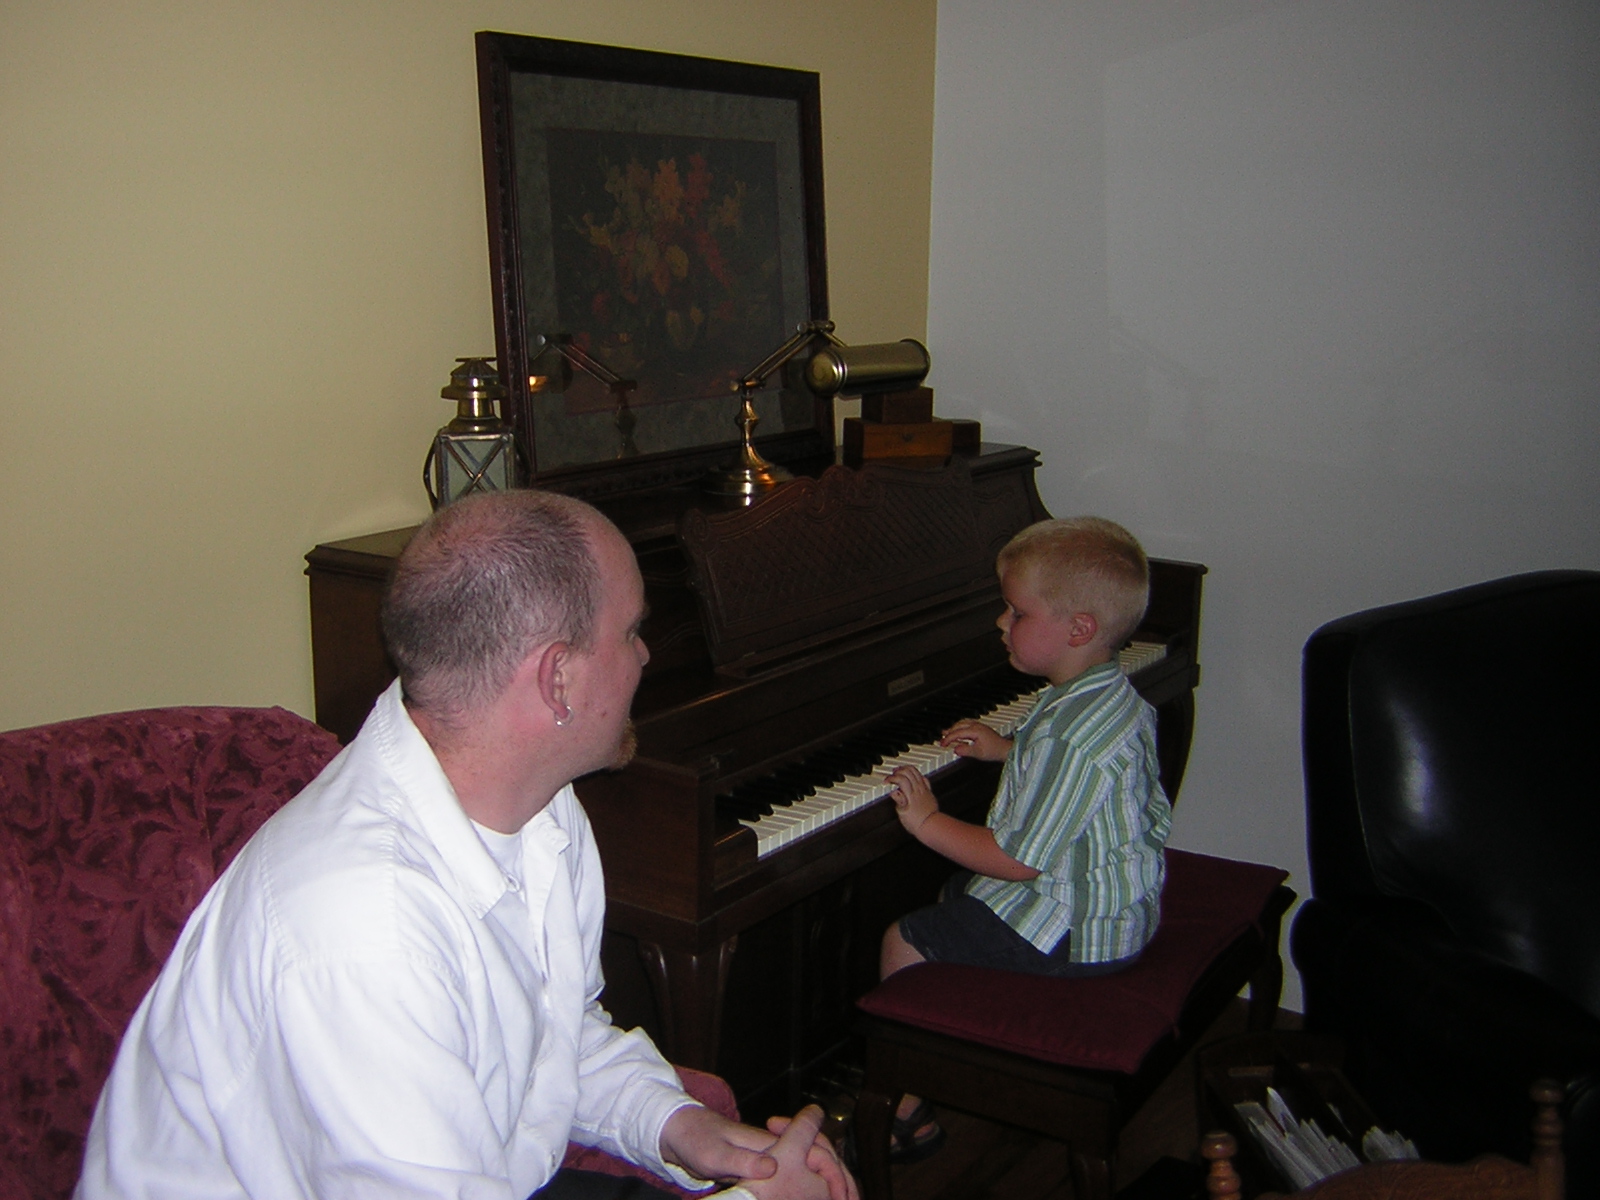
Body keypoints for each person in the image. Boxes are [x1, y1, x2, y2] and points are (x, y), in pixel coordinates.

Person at [76, 490, 854, 1200]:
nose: (647, 655)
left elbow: (555, 1035)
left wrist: (681, 1126)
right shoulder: (363, 929)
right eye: (630, 632)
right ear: (557, 680)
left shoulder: (541, 810)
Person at [875, 516, 1172, 1162]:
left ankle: (907, 1106)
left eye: (1016, 612)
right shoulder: (1103, 695)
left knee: (904, 936)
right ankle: (959, 1035)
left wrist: (926, 820)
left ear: (1078, 629)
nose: (1000, 622)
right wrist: (1006, 750)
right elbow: (1077, 781)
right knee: (957, 891)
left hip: (1078, 933)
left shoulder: (1070, 736)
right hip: (1116, 904)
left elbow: (1015, 861)